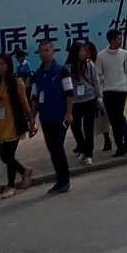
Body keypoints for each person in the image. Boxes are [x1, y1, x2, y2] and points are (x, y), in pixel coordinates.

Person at [0, 52, 37, 199]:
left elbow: (25, 103)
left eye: (3, 64)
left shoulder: (16, 82)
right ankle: (24, 171)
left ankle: (10, 185)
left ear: (9, 65)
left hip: (14, 123)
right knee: (4, 157)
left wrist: (31, 121)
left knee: (9, 156)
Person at [30, 40, 75, 194]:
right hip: (45, 118)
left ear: (53, 51)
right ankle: (60, 179)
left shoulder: (62, 71)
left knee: (57, 147)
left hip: (60, 116)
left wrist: (69, 113)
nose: (44, 54)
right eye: (41, 51)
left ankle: (65, 179)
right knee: (52, 149)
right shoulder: (37, 74)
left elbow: (69, 93)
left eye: (47, 50)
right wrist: (32, 118)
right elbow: (34, 97)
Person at [97, 28, 127, 157]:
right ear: (112, 40)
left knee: (119, 115)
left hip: (120, 89)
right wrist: (99, 94)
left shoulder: (124, 54)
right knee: (113, 119)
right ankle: (120, 145)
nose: (121, 41)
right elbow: (98, 74)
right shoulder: (101, 56)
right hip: (107, 90)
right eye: (119, 39)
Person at [64, 41, 102, 165]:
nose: (84, 53)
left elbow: (95, 81)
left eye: (85, 50)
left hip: (89, 99)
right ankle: (82, 147)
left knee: (88, 127)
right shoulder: (68, 68)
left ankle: (89, 153)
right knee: (75, 127)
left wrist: (99, 97)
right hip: (75, 102)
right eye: (82, 50)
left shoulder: (89, 64)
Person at [85, 40, 113, 152]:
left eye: (87, 50)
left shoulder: (98, 61)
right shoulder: (83, 63)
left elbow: (103, 76)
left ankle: (107, 139)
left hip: (100, 92)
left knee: (102, 119)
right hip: (87, 95)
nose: (85, 52)